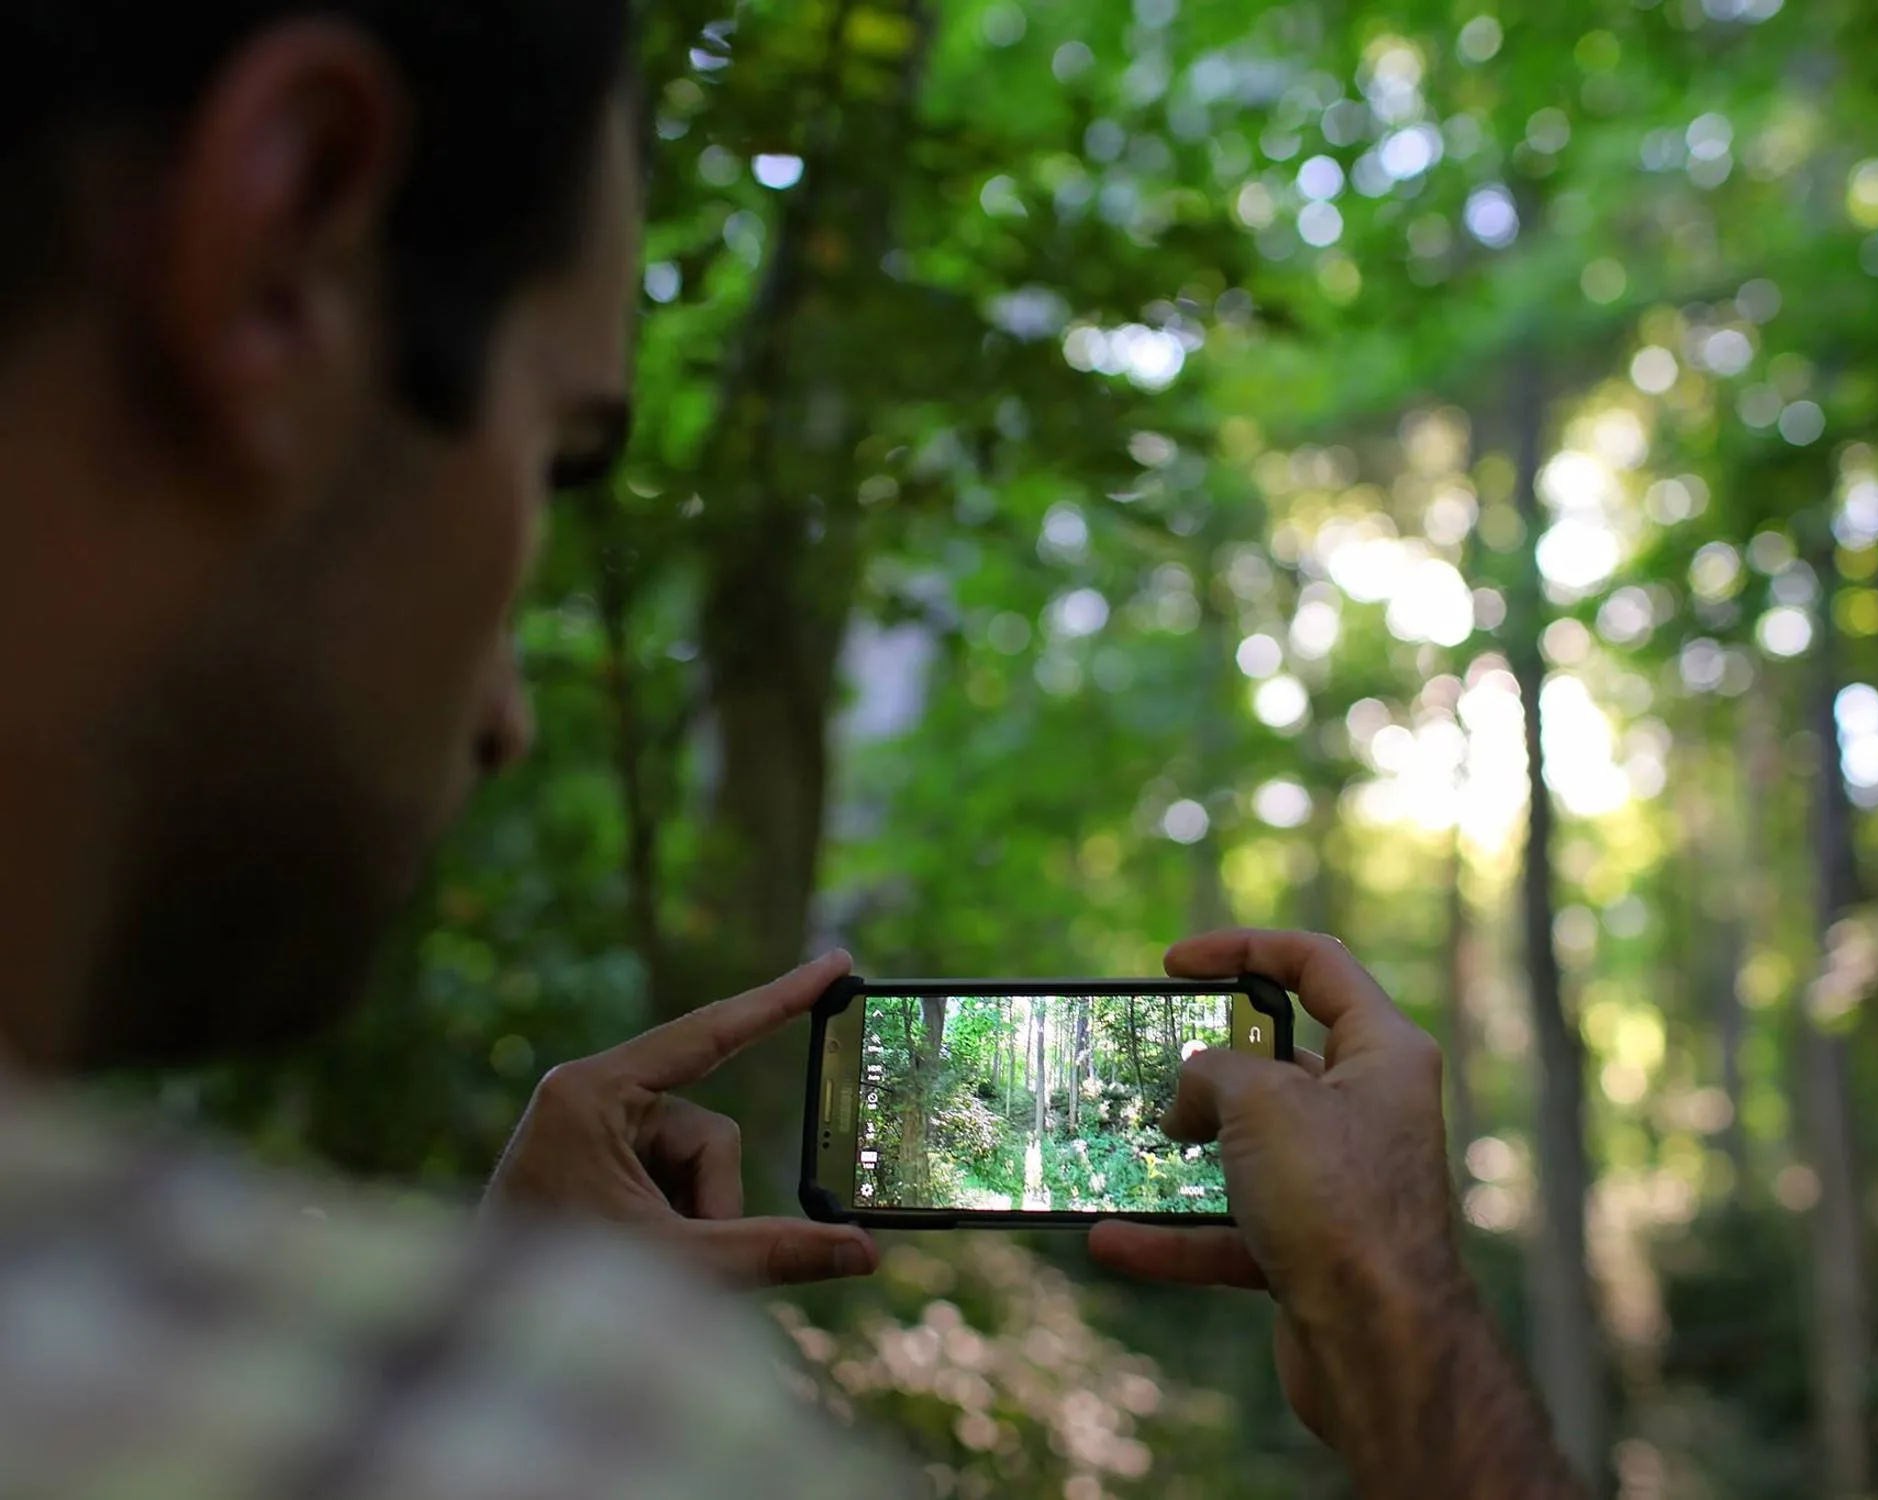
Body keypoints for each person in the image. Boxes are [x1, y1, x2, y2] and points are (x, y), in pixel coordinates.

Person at [0, 3, 1584, 1498]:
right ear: (282, 242)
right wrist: (1396, 1314)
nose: (509, 708)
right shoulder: (572, 1431)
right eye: (557, 461)